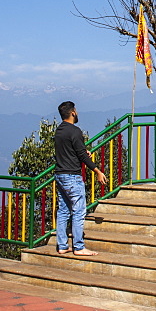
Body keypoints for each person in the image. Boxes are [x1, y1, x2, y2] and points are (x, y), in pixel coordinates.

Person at [53, 101, 106, 256]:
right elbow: (81, 154)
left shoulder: (59, 131)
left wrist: (82, 152)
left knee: (63, 210)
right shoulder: (75, 132)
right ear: (73, 112)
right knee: (78, 211)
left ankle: (62, 245)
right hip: (72, 176)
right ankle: (79, 246)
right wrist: (97, 171)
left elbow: (71, 151)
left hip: (60, 174)